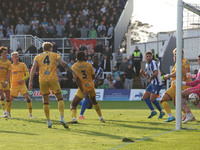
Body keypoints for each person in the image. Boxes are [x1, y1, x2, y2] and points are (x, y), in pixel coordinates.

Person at [29, 42, 71, 128]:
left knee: (45, 101)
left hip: (43, 80)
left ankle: (48, 121)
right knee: (59, 97)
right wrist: (71, 71)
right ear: (51, 48)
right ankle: (62, 118)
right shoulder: (55, 55)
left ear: (43, 48)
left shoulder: (38, 56)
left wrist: (30, 81)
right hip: (53, 79)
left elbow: (33, 68)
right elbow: (62, 63)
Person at [69, 51, 105, 123]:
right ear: (82, 57)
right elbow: (93, 76)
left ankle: (74, 119)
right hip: (91, 86)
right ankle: (101, 117)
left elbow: (77, 79)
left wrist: (82, 89)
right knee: (94, 102)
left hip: (83, 87)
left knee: (73, 104)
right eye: (85, 56)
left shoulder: (74, 66)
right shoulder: (89, 65)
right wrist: (88, 81)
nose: (86, 57)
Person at [160, 49, 193, 122]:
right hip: (176, 85)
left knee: (163, 99)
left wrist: (168, 75)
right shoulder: (178, 63)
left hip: (179, 86)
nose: (174, 56)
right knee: (177, 102)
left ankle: (172, 116)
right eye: (174, 55)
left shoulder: (183, 61)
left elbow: (179, 73)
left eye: (175, 54)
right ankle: (187, 115)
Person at [7, 52, 33, 118]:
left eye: (17, 56)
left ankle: (30, 114)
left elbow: (28, 75)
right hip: (14, 86)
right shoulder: (11, 66)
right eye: (15, 57)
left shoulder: (23, 65)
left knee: (28, 98)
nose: (17, 58)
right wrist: (9, 85)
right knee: (9, 100)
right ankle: (8, 114)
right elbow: (9, 77)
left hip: (22, 85)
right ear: (12, 58)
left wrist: (22, 79)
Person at [140, 51, 165, 119]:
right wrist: (142, 73)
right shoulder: (146, 65)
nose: (148, 58)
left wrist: (150, 78)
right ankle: (153, 111)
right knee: (145, 96)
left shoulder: (153, 63)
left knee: (152, 98)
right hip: (153, 83)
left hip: (157, 84)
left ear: (152, 57)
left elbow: (156, 73)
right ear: (145, 57)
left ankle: (161, 112)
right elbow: (147, 76)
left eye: (149, 56)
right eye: (147, 56)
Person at [78, 55, 104, 119]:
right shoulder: (88, 66)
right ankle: (81, 115)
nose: (96, 61)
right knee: (87, 97)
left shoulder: (100, 70)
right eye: (95, 59)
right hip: (86, 84)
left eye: (97, 60)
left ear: (98, 61)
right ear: (92, 60)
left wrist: (96, 85)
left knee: (89, 106)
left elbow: (102, 80)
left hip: (92, 86)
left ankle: (78, 102)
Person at [177, 54, 200, 123]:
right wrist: (191, 75)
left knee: (180, 95)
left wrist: (184, 83)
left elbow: (195, 82)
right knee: (193, 99)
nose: (198, 61)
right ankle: (189, 114)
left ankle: (189, 114)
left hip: (198, 88)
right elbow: (197, 76)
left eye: (199, 59)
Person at [0, 47, 11, 117]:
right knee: (1, 95)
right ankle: (4, 111)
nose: (6, 54)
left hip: (6, 81)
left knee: (8, 97)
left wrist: (6, 82)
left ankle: (8, 113)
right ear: (1, 53)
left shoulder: (9, 62)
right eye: (4, 53)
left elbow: (9, 73)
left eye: (6, 53)